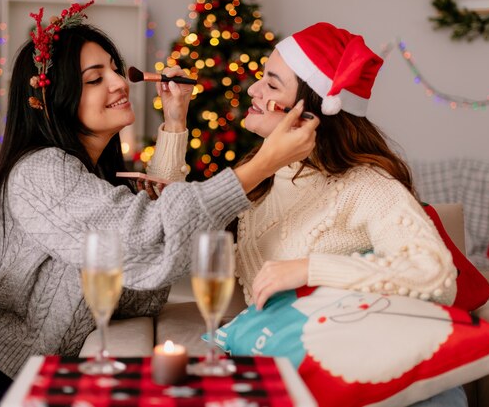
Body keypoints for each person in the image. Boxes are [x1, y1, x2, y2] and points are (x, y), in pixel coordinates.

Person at [0, 0, 317, 406]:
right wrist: (262, 164)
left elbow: (148, 261)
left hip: (29, 374)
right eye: (96, 78)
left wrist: (176, 118)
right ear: (54, 98)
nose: (119, 82)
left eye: (115, 69)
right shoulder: (41, 172)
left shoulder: (91, 179)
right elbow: (144, 232)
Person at [151, 22, 465, 406]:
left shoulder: (365, 185)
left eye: (271, 83)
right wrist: (175, 120)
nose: (253, 89)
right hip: (312, 378)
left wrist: (310, 269)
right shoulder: (256, 181)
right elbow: (167, 229)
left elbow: (437, 275)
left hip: (395, 383)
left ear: (308, 112)